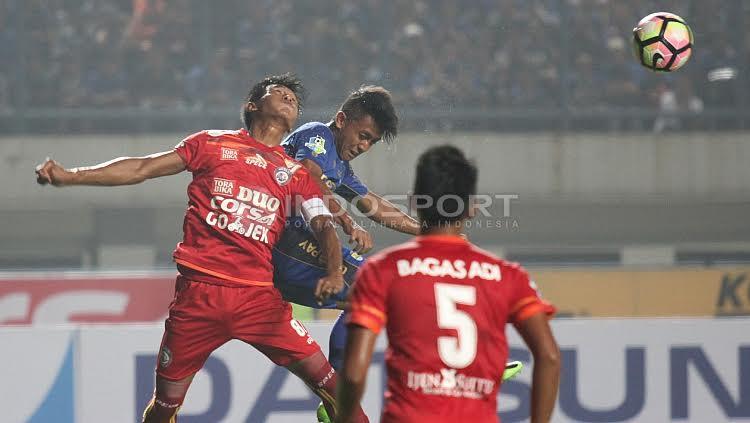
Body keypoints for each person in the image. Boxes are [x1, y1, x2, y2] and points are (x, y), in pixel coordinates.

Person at [35, 74, 368, 423]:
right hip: (198, 299)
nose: (288, 98)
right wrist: (71, 175)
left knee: (336, 392)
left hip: (259, 300)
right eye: (279, 93)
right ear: (252, 105)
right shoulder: (211, 144)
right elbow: (142, 168)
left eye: (294, 100)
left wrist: (333, 271)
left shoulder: (294, 173)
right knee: (163, 409)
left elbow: (323, 227)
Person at [274, 86, 524, 422]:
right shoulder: (317, 135)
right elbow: (308, 177)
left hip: (304, 251)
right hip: (286, 246)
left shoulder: (342, 168)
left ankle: (334, 395)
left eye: (371, 142)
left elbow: (376, 207)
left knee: (383, 296)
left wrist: (428, 231)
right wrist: (348, 222)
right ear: (341, 119)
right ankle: (337, 393)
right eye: (362, 135)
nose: (363, 146)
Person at [335, 145, 561, 423]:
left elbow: (355, 372)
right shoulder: (508, 276)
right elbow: (549, 356)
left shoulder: (382, 270)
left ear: (414, 202)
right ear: (472, 208)